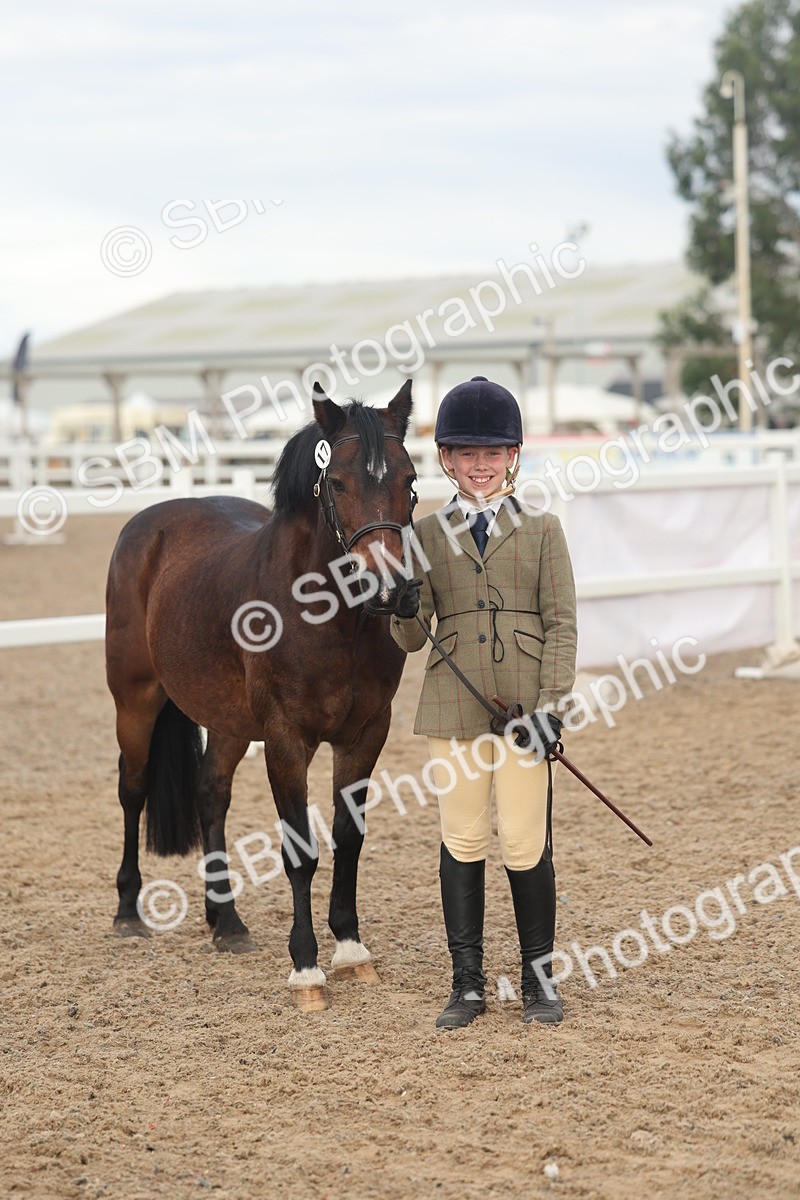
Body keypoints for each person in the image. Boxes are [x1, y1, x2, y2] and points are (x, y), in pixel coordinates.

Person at [391, 376, 577, 1029]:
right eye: (466, 452)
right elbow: (413, 640)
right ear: (445, 458)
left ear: (513, 456)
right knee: (462, 838)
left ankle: (537, 980)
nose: (479, 464)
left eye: (492, 452)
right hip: (455, 706)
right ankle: (466, 984)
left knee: (525, 843)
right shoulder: (423, 535)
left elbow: (562, 626)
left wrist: (552, 707)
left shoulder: (544, 530)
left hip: (526, 713)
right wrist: (402, 608)